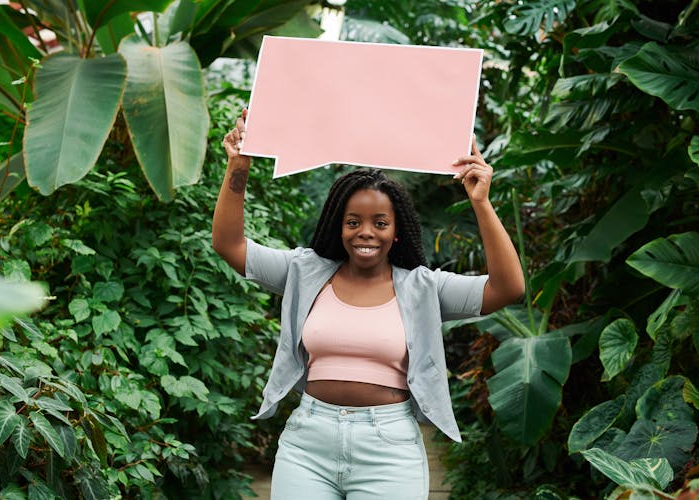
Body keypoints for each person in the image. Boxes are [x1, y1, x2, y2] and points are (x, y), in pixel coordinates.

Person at [212, 109, 525, 499]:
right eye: (353, 221)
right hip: (308, 444)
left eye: (380, 223)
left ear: (396, 232)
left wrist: (480, 201)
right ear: (338, 225)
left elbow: (507, 288)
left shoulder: (423, 288)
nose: (365, 232)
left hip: (388, 449)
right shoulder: (305, 271)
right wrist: (238, 167)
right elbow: (230, 244)